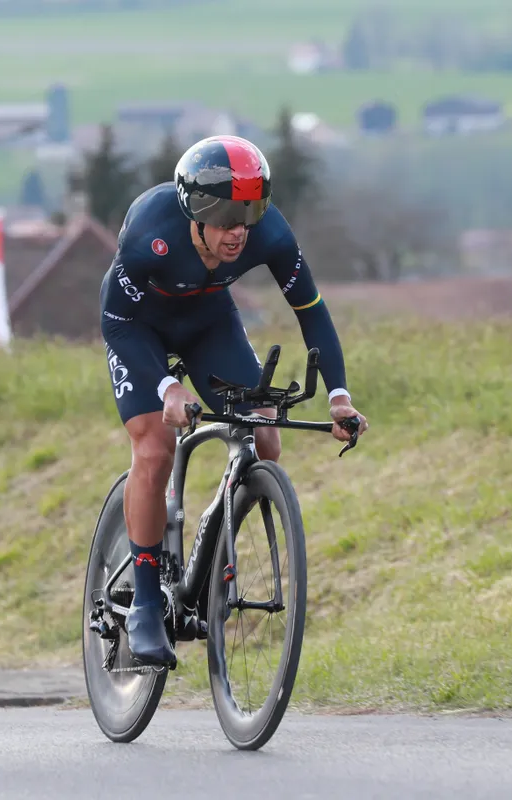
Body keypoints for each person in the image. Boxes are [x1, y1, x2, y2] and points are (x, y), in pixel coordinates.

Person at [98, 134, 368, 667]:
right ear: (195, 214)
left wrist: (339, 396)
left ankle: (214, 531)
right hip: (140, 331)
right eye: (225, 218)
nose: (238, 232)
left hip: (208, 325)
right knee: (155, 448)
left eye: (248, 215)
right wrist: (166, 388)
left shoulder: (269, 234)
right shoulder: (151, 231)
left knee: (265, 439)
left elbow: (311, 310)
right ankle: (147, 605)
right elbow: (117, 321)